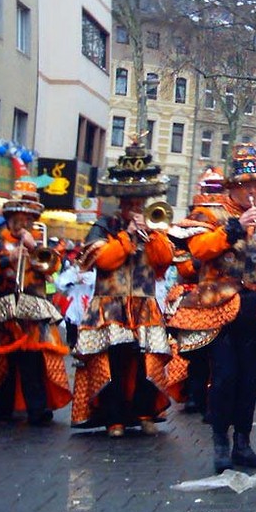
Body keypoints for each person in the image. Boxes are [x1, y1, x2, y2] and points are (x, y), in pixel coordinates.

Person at [170, 145, 256, 472]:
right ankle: (220, 442)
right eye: (247, 186)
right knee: (224, 376)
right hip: (218, 306)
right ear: (233, 187)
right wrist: (236, 226)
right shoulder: (208, 214)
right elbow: (199, 249)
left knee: (248, 378)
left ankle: (243, 442)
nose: (254, 192)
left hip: (255, 307)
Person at [72, 141, 174, 438]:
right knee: (113, 360)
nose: (136, 209)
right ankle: (113, 418)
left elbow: (164, 260)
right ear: (122, 202)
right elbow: (100, 260)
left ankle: (144, 413)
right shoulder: (103, 225)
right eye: (131, 204)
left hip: (144, 304)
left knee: (146, 361)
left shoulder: (155, 229)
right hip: (111, 305)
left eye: (140, 204)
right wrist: (127, 237)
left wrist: (151, 235)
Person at [0, 182, 71, 424]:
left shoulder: (40, 241)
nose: (24, 223)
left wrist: (33, 246)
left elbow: (54, 269)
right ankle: (3, 409)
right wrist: (8, 258)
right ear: (8, 218)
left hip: (32, 310)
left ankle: (38, 411)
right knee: (3, 362)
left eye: (28, 218)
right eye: (18, 218)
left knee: (33, 362)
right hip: (1, 308)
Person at [164, 166, 227, 420]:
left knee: (216, 349)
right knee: (194, 348)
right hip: (191, 294)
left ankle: (210, 396)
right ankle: (193, 393)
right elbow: (184, 264)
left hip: (217, 293)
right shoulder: (191, 224)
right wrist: (202, 262)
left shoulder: (225, 221)